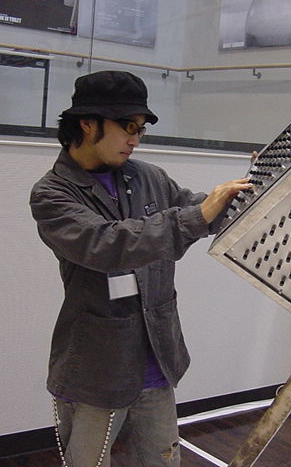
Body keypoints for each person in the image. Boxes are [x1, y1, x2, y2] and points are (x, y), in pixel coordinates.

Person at [29, 70, 253, 467]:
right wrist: (199, 214)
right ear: (88, 124)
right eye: (127, 127)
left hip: (156, 361)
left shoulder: (147, 176)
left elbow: (203, 212)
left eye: (140, 129)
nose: (135, 139)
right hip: (97, 368)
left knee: (163, 461)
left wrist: (257, 189)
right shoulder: (52, 195)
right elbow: (109, 244)